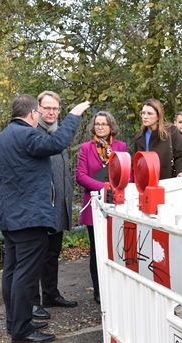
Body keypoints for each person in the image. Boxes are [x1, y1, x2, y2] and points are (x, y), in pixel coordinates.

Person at [0, 94, 90, 343]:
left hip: (10, 217)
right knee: (25, 275)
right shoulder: (27, 134)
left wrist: (15, 187)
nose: (41, 117)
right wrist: (74, 115)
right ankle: (22, 330)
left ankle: (15, 323)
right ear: (33, 113)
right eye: (40, 113)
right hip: (30, 218)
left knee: (11, 272)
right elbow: (56, 144)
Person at [30, 91, 77, 322]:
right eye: (47, 108)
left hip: (58, 205)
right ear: (37, 109)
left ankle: (50, 295)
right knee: (36, 256)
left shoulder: (58, 132)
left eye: (55, 109)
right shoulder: (32, 134)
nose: (51, 112)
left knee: (52, 253)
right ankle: (33, 303)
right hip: (41, 207)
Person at [76, 111, 128, 304]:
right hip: (94, 204)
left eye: (104, 124)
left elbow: (128, 173)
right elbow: (80, 176)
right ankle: (99, 290)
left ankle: (117, 287)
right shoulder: (86, 148)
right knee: (96, 250)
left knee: (117, 248)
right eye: (97, 124)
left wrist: (117, 187)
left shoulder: (121, 147)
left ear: (111, 126)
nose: (100, 127)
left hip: (117, 203)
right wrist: (104, 188)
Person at [134, 99, 182, 182]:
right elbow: (136, 164)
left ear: (158, 116)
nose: (145, 116)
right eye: (143, 113)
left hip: (166, 181)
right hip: (145, 183)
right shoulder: (139, 137)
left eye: (149, 113)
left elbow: (180, 156)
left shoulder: (171, 131)